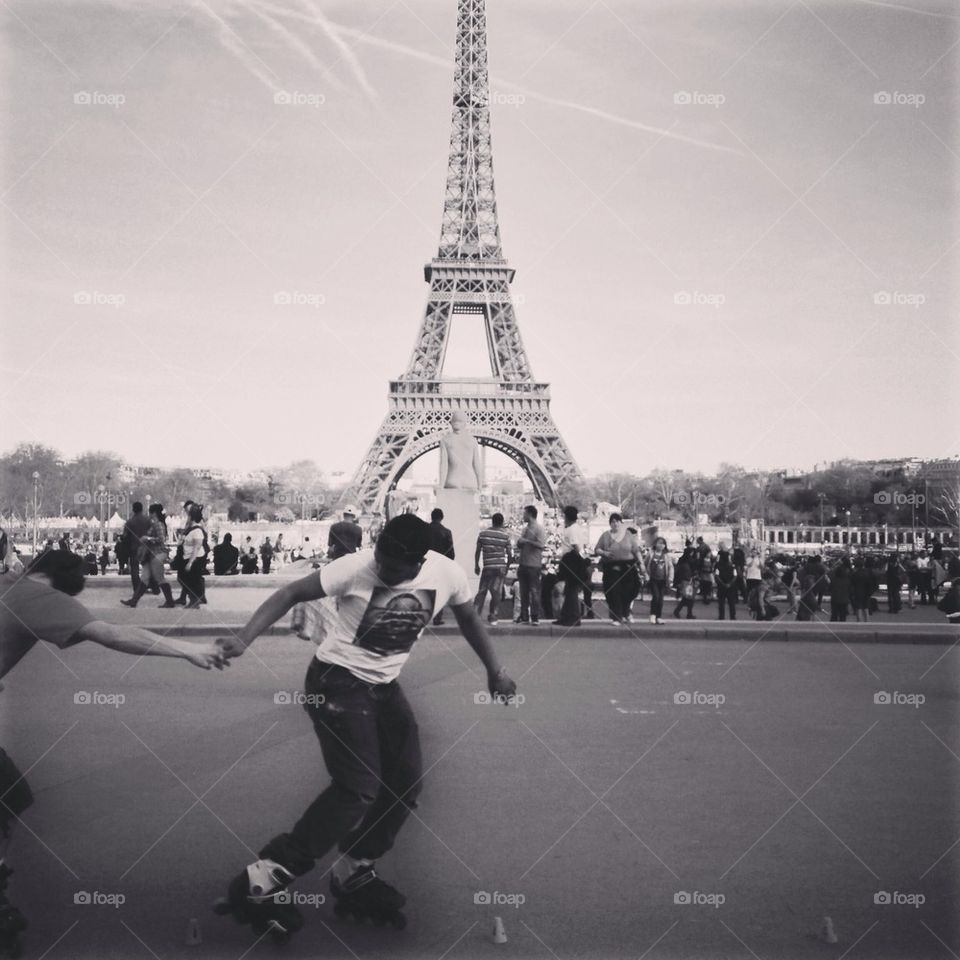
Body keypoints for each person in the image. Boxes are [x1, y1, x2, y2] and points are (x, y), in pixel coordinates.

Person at [212, 514, 517, 942]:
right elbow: (290, 592)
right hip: (336, 681)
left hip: (383, 687)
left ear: (420, 562)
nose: (385, 573)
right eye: (382, 563)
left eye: (396, 571)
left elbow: (468, 619)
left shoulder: (447, 574)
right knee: (357, 787)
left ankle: (355, 868)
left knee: (405, 785)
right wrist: (244, 639)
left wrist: (494, 671)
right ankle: (266, 876)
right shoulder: (355, 566)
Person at [0, 550, 226, 954]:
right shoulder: (39, 597)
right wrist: (188, 650)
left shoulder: (10, 586)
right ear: (59, 581)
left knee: (9, 795)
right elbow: (114, 634)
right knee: (10, 797)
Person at [122, 503, 175, 607]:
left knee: (159, 578)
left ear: (153, 513)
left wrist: (147, 538)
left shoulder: (158, 524)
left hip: (156, 553)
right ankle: (134, 601)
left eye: (150, 512)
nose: (148, 514)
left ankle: (169, 601)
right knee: (145, 577)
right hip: (152, 554)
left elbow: (161, 539)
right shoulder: (155, 523)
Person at [594, 513, 641, 623]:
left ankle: (626, 612)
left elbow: (636, 550)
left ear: (621, 523)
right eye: (613, 522)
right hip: (611, 567)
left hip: (628, 567)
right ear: (610, 524)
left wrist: (642, 564)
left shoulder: (628, 534)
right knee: (614, 592)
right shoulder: (605, 535)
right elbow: (597, 549)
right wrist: (604, 553)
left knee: (630, 590)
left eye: (617, 521)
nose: (615, 524)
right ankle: (617, 616)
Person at [474, 513, 512, 626]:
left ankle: (475, 616)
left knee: (482, 591)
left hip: (488, 567)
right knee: (496, 593)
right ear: (501, 522)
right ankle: (493, 616)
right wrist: (506, 567)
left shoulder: (483, 534)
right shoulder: (505, 536)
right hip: (500, 568)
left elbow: (477, 551)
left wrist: (476, 565)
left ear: (492, 521)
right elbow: (510, 555)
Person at [555, 506, 588, 627]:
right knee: (569, 590)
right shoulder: (576, 528)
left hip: (571, 561)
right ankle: (566, 616)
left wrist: (577, 562)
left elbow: (576, 547)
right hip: (573, 560)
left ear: (567, 517)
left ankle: (573, 617)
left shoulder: (572, 530)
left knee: (572, 590)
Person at [514, 505, 545, 625]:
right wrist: (520, 543)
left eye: (524, 514)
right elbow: (520, 544)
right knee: (523, 592)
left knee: (534, 591)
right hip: (523, 563)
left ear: (530, 514)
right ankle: (525, 617)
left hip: (534, 564)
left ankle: (535, 617)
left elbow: (541, 545)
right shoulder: (525, 529)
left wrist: (526, 541)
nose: (523, 516)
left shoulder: (539, 529)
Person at [427, 508, 455, 625]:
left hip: (426, 563)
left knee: (426, 589)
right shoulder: (446, 532)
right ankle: (437, 618)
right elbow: (451, 553)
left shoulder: (423, 530)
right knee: (440, 591)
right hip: (441, 564)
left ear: (431, 517)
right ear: (441, 517)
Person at [180, 504, 207, 609]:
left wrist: (190, 562)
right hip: (189, 557)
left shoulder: (197, 531)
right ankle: (193, 600)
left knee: (192, 581)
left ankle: (194, 601)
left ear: (191, 517)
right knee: (189, 580)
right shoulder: (193, 529)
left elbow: (196, 548)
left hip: (194, 559)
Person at [121, 501, 151, 592]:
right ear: (142, 509)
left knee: (134, 569)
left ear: (133, 509)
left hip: (134, 548)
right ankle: (151, 586)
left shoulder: (129, 522)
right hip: (147, 547)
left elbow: (125, 536)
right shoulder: (148, 520)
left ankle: (137, 588)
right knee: (149, 567)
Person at [644, 537, 673, 624]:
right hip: (653, 579)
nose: (661, 545)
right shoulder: (651, 554)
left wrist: (670, 578)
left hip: (663, 580)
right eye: (659, 543)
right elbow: (645, 565)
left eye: (663, 543)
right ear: (655, 544)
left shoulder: (666, 555)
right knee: (656, 597)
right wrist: (645, 575)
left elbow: (670, 567)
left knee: (661, 599)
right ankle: (652, 615)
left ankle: (658, 617)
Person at [715, 541, 737, 620]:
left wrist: (722, 583)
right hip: (731, 586)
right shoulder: (732, 567)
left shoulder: (718, 566)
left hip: (721, 586)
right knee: (731, 602)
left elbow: (717, 575)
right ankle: (732, 616)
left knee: (721, 602)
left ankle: (721, 616)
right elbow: (735, 576)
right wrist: (730, 584)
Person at [850, 556, 876, 622]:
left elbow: (852, 583)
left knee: (858, 609)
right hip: (866, 593)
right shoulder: (867, 573)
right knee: (866, 608)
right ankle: (867, 622)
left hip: (858, 592)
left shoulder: (855, 574)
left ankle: (859, 622)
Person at [673, 550, 696, 620]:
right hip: (686, 582)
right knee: (689, 598)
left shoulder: (684, 562)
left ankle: (681, 612)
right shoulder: (686, 564)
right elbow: (680, 574)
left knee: (687, 599)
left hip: (687, 581)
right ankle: (687, 613)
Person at [829, 557, 852, 622]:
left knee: (834, 614)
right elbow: (850, 590)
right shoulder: (847, 581)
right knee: (843, 615)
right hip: (844, 599)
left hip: (835, 599)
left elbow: (830, 588)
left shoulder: (834, 580)